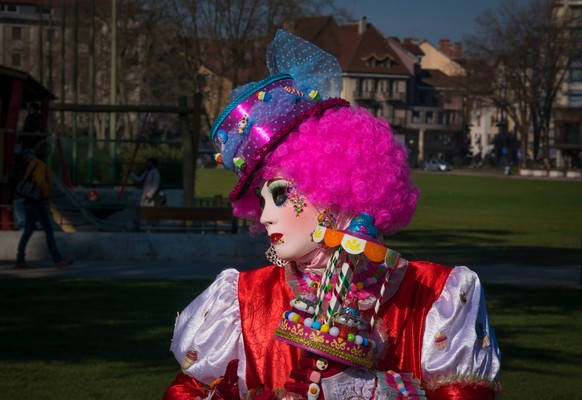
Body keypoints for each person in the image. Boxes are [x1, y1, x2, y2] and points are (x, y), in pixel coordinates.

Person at [163, 31, 500, 400]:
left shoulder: (438, 296)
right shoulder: (241, 300)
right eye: (261, 202)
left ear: (334, 190)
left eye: (280, 195)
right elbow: (187, 392)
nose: (265, 218)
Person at [15, 140, 73, 269]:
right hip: (37, 201)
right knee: (48, 230)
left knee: (28, 230)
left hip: (29, 200)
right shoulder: (41, 165)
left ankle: (20, 259)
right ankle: (57, 259)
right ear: (46, 153)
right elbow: (40, 181)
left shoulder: (32, 163)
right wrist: (46, 195)